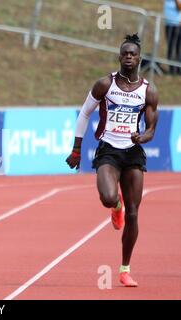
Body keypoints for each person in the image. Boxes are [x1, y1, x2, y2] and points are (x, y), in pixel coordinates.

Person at [66, 34, 158, 287]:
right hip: (108, 150)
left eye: (133, 54)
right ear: (119, 57)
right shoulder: (105, 84)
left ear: (140, 58)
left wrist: (144, 137)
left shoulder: (148, 90)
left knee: (135, 213)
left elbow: (151, 128)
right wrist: (76, 149)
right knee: (108, 197)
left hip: (133, 152)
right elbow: (84, 113)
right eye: (125, 53)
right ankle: (114, 207)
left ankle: (125, 268)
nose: (129, 57)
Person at [164, 0, 181, 74]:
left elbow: (179, 8)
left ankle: (178, 70)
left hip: (176, 24)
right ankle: (172, 70)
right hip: (168, 24)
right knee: (170, 48)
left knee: (178, 48)